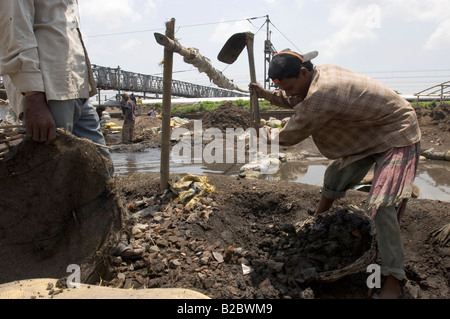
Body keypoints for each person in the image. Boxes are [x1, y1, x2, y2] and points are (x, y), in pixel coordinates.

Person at [250, 49, 421, 299]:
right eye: (282, 88)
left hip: (397, 130)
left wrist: (264, 134)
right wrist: (266, 94)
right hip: (370, 131)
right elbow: (295, 97)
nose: (287, 93)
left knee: (384, 204)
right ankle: (319, 218)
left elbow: (290, 134)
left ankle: (394, 276)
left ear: (304, 72)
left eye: (289, 86)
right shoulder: (314, 76)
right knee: (335, 175)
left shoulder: (323, 93)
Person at [0, 0, 113, 175]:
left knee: (102, 168)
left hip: (75, 86)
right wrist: (33, 96)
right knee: (54, 176)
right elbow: (15, 29)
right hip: (47, 91)